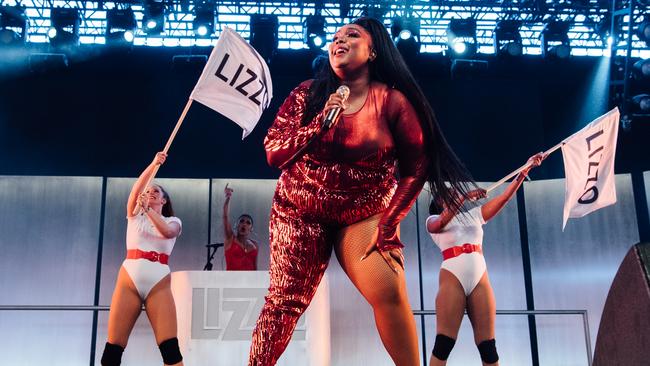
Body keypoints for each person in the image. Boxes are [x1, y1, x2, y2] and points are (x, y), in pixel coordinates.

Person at [249, 17, 475, 366]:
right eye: (335, 37)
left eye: (351, 36)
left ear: (373, 52)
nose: (339, 41)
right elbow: (273, 153)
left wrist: (389, 223)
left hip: (363, 210)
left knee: (387, 284)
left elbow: (416, 168)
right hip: (300, 210)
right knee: (284, 301)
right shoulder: (307, 94)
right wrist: (318, 124)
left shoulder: (392, 102)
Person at [426, 152, 546, 366]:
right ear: (439, 202)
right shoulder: (432, 220)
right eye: (448, 194)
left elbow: (504, 198)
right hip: (453, 276)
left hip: (479, 275)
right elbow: (441, 222)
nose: (453, 194)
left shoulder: (473, 215)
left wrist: (523, 172)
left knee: (488, 346)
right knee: (444, 343)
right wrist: (463, 197)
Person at [100, 152, 184, 366]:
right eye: (148, 191)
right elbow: (135, 191)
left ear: (164, 200)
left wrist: (149, 210)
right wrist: (153, 164)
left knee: (170, 349)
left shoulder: (173, 220)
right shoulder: (135, 216)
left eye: (155, 191)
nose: (150, 193)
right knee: (113, 348)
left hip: (159, 283)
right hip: (130, 280)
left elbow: (167, 232)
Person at [223, 184, 258, 270]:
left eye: (248, 223)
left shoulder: (255, 245)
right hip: (232, 281)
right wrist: (228, 197)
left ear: (251, 228)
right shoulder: (230, 239)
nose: (244, 224)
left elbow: (255, 267)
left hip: (250, 282)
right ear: (237, 225)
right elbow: (225, 216)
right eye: (241, 221)